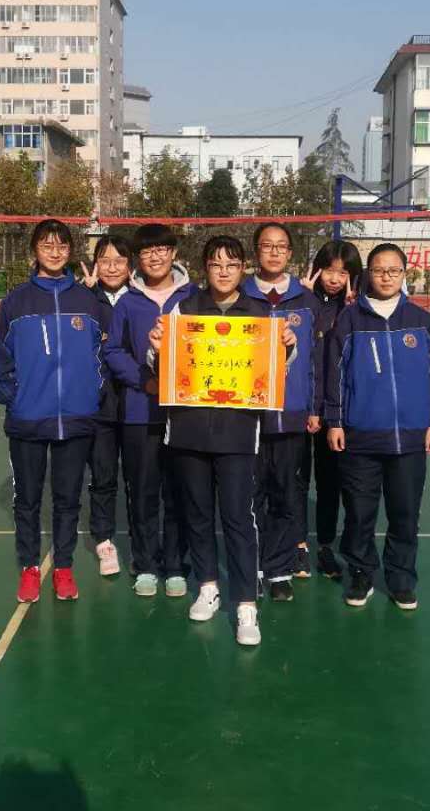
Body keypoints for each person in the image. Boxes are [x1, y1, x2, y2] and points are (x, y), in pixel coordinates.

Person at [148, 235, 297, 646]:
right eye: (216, 264)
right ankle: (208, 586)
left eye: (232, 264)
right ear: (205, 268)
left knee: (238, 518)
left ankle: (246, 603)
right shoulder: (184, 310)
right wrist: (157, 348)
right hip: (189, 429)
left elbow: (275, 368)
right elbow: (161, 366)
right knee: (197, 514)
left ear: (243, 268)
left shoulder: (260, 314)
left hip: (238, 432)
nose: (224, 272)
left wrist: (288, 346)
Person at [0, 219, 111, 603]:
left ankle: (63, 568)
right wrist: (15, 398)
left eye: (61, 246)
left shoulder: (87, 301)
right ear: (35, 251)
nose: (55, 252)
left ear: (70, 251)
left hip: (76, 419)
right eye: (46, 245)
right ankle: (28, 566)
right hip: (28, 419)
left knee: (67, 499)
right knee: (27, 499)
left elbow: (104, 353)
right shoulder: (16, 302)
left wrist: (91, 393)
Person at [325, 243, 430, 610]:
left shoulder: (421, 321)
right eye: (379, 270)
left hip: (410, 439)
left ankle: (400, 579)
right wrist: (335, 421)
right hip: (361, 437)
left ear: (404, 274)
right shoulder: (349, 320)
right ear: (368, 274)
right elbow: (334, 376)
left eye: (394, 270)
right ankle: (361, 573)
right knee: (359, 515)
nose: (386, 277)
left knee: (405, 514)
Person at [103, 223, 198, 598]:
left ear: (173, 253)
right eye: (146, 251)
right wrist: (143, 380)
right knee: (142, 492)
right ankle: (144, 564)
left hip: (185, 414)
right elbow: (113, 350)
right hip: (140, 413)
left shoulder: (194, 297)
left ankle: (175, 564)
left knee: (179, 493)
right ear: (138, 259)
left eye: (161, 249)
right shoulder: (128, 302)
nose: (155, 257)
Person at [242, 222, 322, 597]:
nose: (274, 252)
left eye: (281, 246)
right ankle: (253, 566)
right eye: (266, 245)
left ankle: (278, 570)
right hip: (248, 416)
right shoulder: (239, 297)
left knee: (286, 494)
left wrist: (314, 407)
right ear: (256, 251)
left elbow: (317, 361)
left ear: (290, 253)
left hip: (291, 415)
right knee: (250, 495)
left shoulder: (307, 302)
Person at [301, 239, 362, 580]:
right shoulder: (304, 302)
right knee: (295, 482)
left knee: (331, 484)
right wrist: (303, 300)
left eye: (344, 272)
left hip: (338, 413)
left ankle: (326, 546)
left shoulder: (357, 309)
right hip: (303, 407)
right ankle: (295, 545)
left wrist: (355, 308)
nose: (335, 279)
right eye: (329, 270)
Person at [81, 235, 132, 576]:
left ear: (130, 266)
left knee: (141, 479)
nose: (112, 267)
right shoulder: (83, 300)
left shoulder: (142, 298)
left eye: (119, 260)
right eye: (105, 260)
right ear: (95, 264)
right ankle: (104, 541)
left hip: (137, 404)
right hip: (98, 407)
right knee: (103, 476)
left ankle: (144, 544)